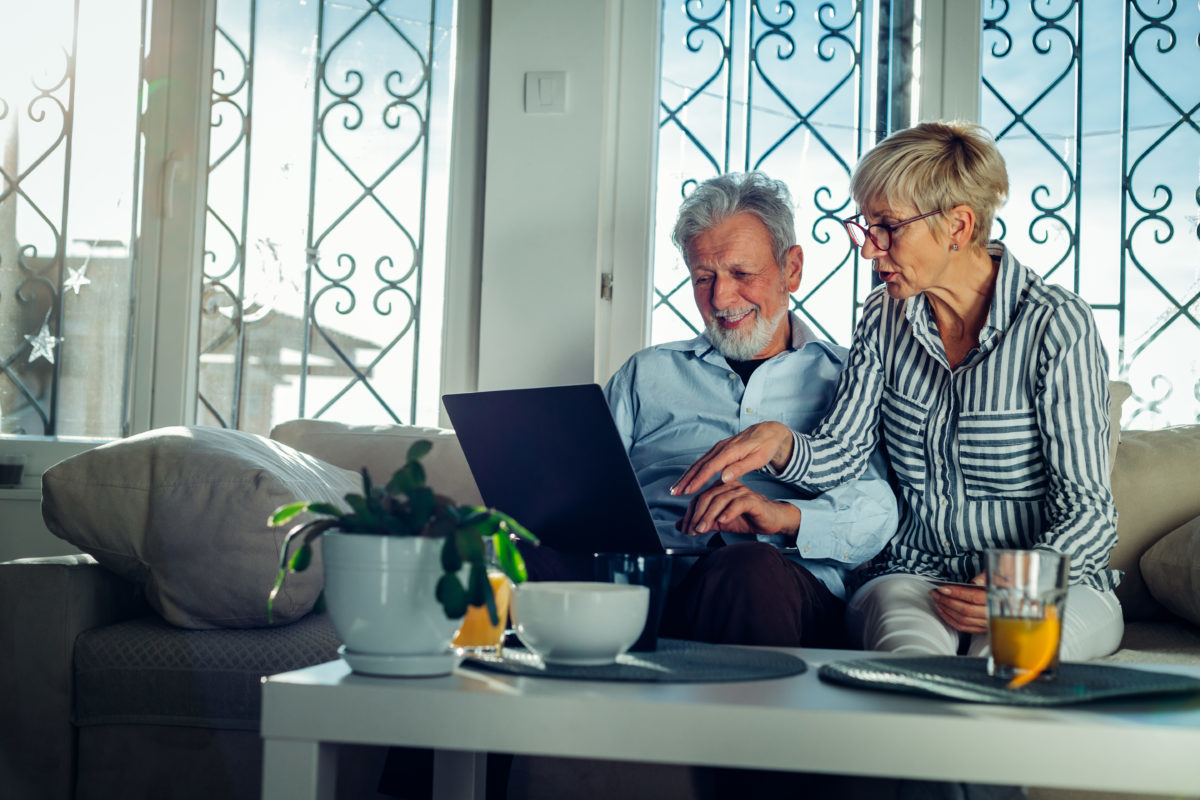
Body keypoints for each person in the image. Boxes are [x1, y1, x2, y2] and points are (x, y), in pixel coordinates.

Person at [671, 122, 1124, 660]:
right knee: (910, 673)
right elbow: (842, 452)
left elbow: (1088, 508)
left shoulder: (1056, 324)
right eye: (865, 226)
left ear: (958, 225)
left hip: (1047, 579)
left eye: (887, 227)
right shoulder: (884, 315)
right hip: (916, 574)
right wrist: (780, 442)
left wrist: (1019, 586)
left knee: (1009, 663)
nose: (869, 250)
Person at [604, 170, 898, 648]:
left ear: (792, 269)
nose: (720, 298)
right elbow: (587, 491)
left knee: (748, 568)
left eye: (742, 274)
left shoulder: (847, 376)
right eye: (704, 278)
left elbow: (879, 511)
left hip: (780, 583)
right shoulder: (645, 374)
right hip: (652, 580)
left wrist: (780, 515)